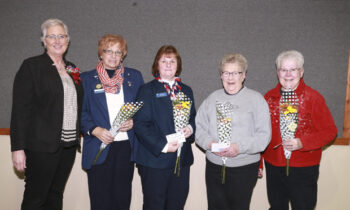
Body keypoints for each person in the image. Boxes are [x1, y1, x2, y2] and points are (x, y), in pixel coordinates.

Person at [10, 18, 83, 210]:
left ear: (68, 40)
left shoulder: (71, 68)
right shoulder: (32, 66)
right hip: (41, 146)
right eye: (52, 36)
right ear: (44, 40)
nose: (57, 40)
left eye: (61, 36)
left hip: (67, 146)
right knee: (36, 198)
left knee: (55, 194)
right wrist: (17, 148)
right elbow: (20, 109)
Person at [261, 50, 337, 210]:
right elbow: (261, 133)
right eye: (283, 69)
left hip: (303, 168)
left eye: (293, 69)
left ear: (301, 72)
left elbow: (330, 131)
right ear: (277, 72)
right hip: (274, 166)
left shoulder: (313, 98)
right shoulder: (269, 98)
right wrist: (259, 163)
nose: (288, 74)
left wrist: (302, 142)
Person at [195, 53, 271, 210]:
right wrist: (209, 143)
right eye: (226, 72)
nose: (230, 77)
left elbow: (264, 136)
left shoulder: (256, 100)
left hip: (244, 168)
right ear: (221, 75)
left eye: (235, 73)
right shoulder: (212, 99)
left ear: (243, 75)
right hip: (214, 167)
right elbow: (199, 129)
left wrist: (239, 147)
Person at [80, 34, 144, 210]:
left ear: (123, 55)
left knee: (122, 199)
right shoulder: (86, 79)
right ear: (101, 53)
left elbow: (144, 110)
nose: (113, 56)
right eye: (109, 51)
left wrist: (133, 122)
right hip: (98, 146)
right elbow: (80, 113)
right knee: (100, 200)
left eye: (118, 52)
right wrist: (94, 129)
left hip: (125, 148)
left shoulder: (134, 77)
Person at [134, 45, 196, 210]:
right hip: (155, 161)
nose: (168, 65)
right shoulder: (146, 90)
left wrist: (190, 128)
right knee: (154, 205)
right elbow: (140, 125)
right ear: (157, 65)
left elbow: (193, 118)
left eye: (172, 61)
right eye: (164, 61)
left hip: (181, 161)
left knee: (177, 205)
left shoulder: (186, 91)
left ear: (178, 65)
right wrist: (163, 145)